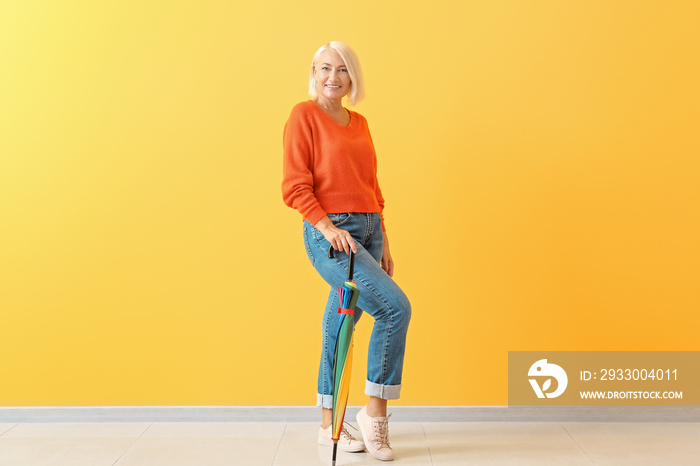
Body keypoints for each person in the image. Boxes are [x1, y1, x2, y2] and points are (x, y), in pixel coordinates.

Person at [282, 41, 411, 461]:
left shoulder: (360, 122)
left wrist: (384, 238)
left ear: (352, 76)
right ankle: (376, 414)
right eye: (323, 69)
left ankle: (327, 425)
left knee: (339, 325)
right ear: (313, 72)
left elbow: (371, 187)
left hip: (369, 231)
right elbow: (295, 184)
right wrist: (325, 226)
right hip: (332, 234)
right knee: (395, 308)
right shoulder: (304, 116)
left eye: (340, 70)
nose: (331, 77)